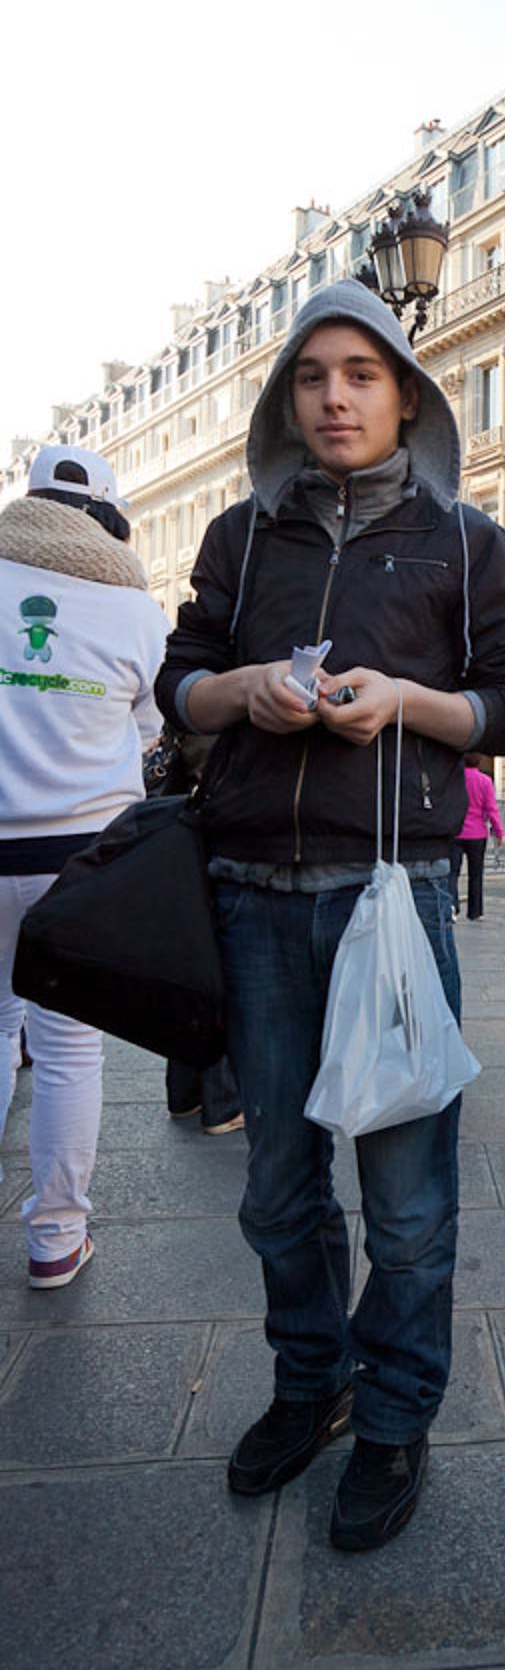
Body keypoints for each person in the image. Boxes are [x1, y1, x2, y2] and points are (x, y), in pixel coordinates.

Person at [155, 279, 505, 1551]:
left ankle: (395, 1419)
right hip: (251, 899)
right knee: (277, 1187)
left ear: (406, 395)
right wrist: (241, 690)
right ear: (287, 395)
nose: (334, 395)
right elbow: (179, 679)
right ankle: (308, 1386)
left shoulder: (467, 541)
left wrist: (405, 703)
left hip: (393, 899)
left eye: (362, 374)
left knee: (408, 1197)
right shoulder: (239, 537)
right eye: (313, 374)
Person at [0, 446, 168, 1287]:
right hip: (81, 857)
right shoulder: (133, 609)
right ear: (105, 512)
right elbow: (145, 732)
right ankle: (56, 1238)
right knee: (68, 1050)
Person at [143, 723, 243, 1133]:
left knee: (190, 973)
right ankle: (223, 1103)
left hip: (181, 841)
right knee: (221, 979)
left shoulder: (186, 711)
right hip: (216, 842)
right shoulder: (220, 715)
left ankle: (183, 1095)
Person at [451, 754, 504, 921]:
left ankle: (452, 906)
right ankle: (475, 911)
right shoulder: (485, 781)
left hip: (455, 831)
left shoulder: (454, 779)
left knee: (452, 872)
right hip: (477, 833)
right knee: (476, 874)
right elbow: (491, 809)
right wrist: (499, 832)